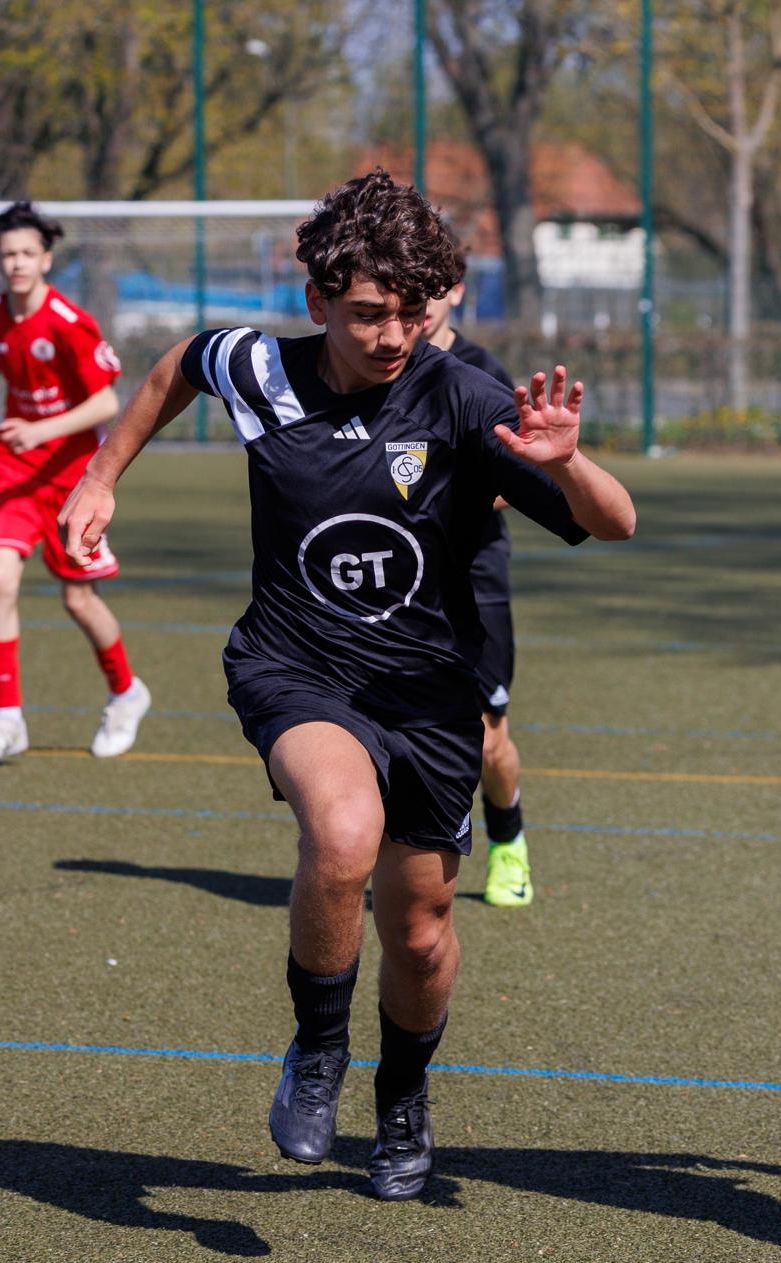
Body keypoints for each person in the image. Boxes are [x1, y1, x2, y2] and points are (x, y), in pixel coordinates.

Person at [58, 171, 636, 1201]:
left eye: (412, 312)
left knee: (420, 931)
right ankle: (317, 1050)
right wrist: (101, 477)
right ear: (317, 299)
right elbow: (176, 367)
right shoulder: (261, 370)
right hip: (295, 665)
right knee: (340, 832)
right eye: (368, 312)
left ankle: (403, 1095)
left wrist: (568, 462)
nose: (392, 334)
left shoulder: (461, 396)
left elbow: (614, 523)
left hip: (427, 693)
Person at [0, 201, 151, 764]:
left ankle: (126, 693)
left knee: (77, 598)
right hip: (15, 472)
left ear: (46, 259)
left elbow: (107, 401)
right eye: (8, 255)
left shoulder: (69, 322)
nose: (17, 263)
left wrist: (41, 428)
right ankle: (8, 720)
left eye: (28, 253)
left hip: (73, 478)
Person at [423, 251, 534, 908]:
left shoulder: (481, 372)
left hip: (474, 576)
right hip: (398, 581)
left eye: (435, 288)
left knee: (488, 736)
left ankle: (508, 839)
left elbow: (515, 478)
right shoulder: (377, 367)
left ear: (458, 291)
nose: (423, 302)